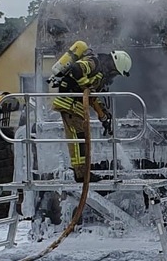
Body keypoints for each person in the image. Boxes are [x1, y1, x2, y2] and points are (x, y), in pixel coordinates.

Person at [50, 44, 133, 182]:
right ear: (113, 66)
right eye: (116, 73)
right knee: (79, 140)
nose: (114, 77)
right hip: (69, 104)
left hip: (76, 107)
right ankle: (81, 174)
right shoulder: (94, 63)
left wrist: (104, 116)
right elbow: (76, 69)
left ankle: (83, 172)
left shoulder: (100, 76)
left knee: (82, 138)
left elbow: (93, 98)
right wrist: (87, 87)